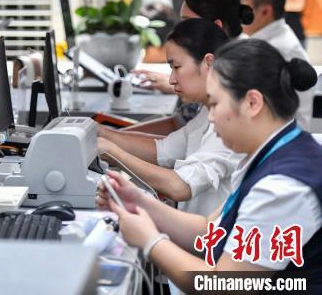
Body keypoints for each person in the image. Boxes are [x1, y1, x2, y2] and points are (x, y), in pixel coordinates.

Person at [98, 39, 320, 293]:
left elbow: (224, 285)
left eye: (214, 105)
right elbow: (209, 230)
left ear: (252, 103)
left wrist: (151, 241)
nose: (211, 118)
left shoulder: (281, 187)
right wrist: (140, 202)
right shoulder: (270, 153)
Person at [98, 19, 242, 217]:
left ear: (208, 63)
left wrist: (114, 152)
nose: (172, 80)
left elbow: (181, 186)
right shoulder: (206, 111)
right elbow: (162, 151)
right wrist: (103, 133)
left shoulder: (230, 120)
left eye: (177, 67)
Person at [135, 0, 253, 95]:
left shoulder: (242, 68)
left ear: (216, 27)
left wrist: (183, 86)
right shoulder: (220, 59)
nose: (181, 31)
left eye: (188, 23)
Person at [235, 0, 314, 130]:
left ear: (265, 11)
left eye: (241, 2)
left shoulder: (278, 51)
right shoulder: (257, 37)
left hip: (277, 141)